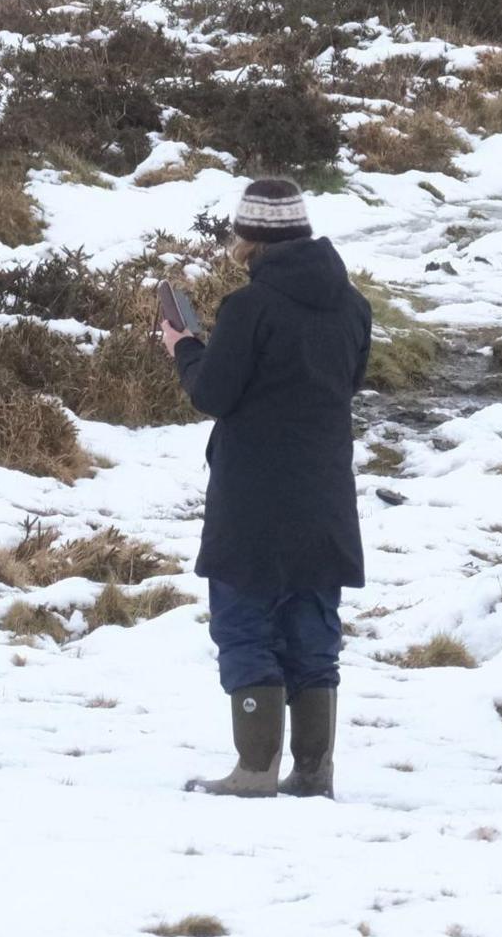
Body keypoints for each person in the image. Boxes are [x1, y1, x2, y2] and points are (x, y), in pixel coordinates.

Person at [159, 178, 372, 799]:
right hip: (325, 489)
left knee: (246, 623)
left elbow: (212, 393)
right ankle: (314, 772)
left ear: (250, 237)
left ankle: (254, 772)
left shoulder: (249, 307)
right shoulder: (353, 304)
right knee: (313, 626)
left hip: (253, 492)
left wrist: (185, 347)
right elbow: (349, 381)